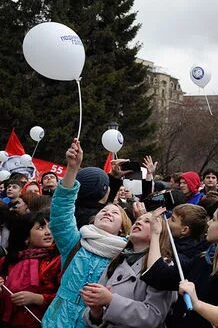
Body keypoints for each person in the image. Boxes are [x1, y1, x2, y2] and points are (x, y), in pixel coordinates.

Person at [44, 139, 133, 328]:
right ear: (94, 219)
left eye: (115, 212)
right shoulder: (75, 243)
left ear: (123, 228)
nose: (108, 211)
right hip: (56, 321)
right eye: (104, 211)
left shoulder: (127, 257)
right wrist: (72, 169)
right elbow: (61, 211)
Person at [142, 201, 218, 328]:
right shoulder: (203, 259)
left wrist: (197, 303)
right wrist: (155, 233)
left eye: (214, 220)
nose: (208, 223)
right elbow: (159, 275)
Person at [80, 210, 177, 328]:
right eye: (137, 221)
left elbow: (154, 317)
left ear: (159, 232)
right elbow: (95, 317)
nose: (138, 223)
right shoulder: (117, 261)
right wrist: (96, 311)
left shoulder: (164, 267)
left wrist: (111, 300)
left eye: (147, 221)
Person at [0, 210, 61, 328]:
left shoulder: (57, 261)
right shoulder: (6, 262)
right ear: (26, 237)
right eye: (41, 228)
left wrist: (38, 299)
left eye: (50, 227)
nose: (48, 232)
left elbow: (67, 297)